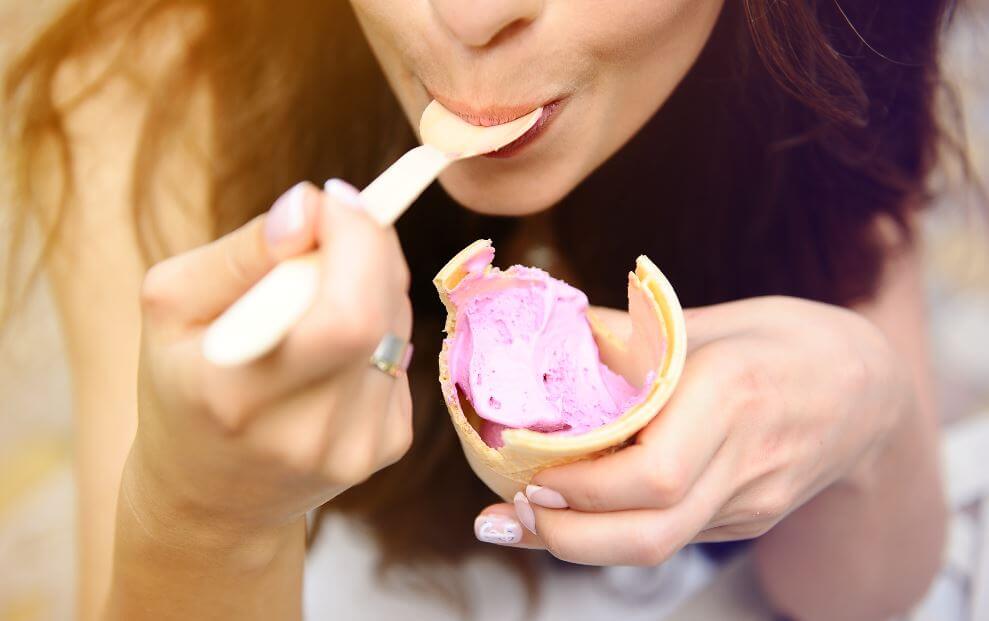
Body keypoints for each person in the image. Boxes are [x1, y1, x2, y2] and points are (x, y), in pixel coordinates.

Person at [2, 0, 953, 619]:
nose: (466, 14)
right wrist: (202, 517)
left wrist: (870, 416)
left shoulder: (819, 51)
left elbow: (860, 596)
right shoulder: (159, 91)